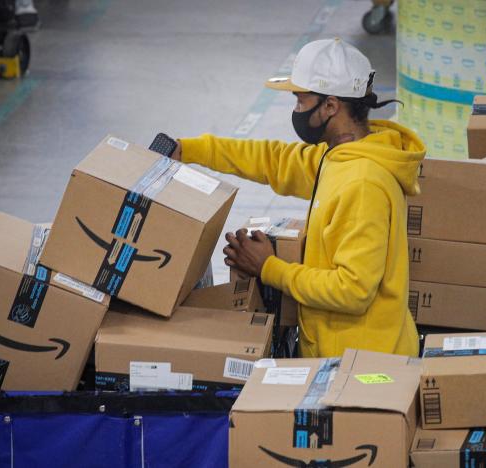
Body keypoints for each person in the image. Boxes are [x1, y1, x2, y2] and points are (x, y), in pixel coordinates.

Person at [172, 38, 426, 358]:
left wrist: (269, 267)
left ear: (331, 105)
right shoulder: (336, 157)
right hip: (337, 350)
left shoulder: (364, 184)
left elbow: (353, 291)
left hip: (363, 364)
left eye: (300, 101)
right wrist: (191, 149)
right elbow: (273, 160)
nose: (296, 111)